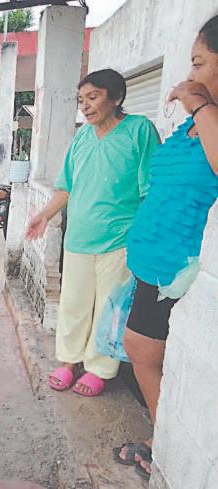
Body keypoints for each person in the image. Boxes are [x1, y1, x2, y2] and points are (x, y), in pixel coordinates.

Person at [113, 15, 218, 482]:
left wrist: (201, 105)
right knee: (146, 351)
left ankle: (164, 441)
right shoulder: (195, 124)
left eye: (199, 62)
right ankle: (165, 435)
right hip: (151, 263)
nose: (190, 74)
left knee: (141, 349)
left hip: (178, 268)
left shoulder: (208, 118)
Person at [25, 69, 160, 397]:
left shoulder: (139, 131)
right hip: (79, 238)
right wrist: (44, 215)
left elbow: (151, 189)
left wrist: (145, 237)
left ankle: (99, 368)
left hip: (119, 240)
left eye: (93, 97)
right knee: (74, 304)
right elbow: (66, 187)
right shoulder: (82, 137)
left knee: (108, 309)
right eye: (81, 100)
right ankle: (69, 361)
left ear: (116, 98)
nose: (85, 106)